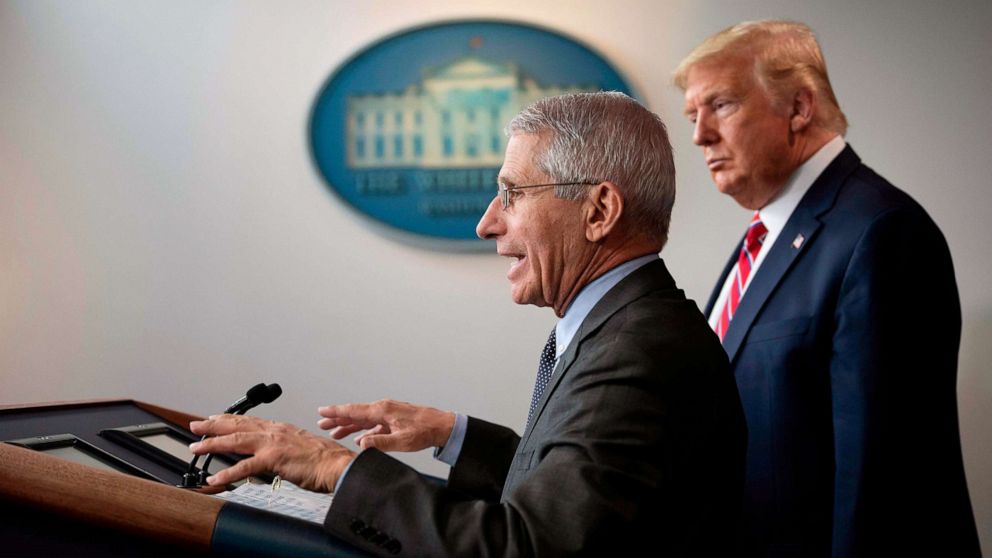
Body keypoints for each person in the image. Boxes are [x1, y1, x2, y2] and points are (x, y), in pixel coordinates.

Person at [190, 92, 746, 556]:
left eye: (511, 193)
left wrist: (334, 466)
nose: (487, 223)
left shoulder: (636, 354)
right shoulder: (631, 326)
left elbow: (525, 547)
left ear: (599, 211)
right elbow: (581, 502)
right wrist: (455, 434)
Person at [674, 20, 979, 557]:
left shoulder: (881, 233)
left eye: (720, 105)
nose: (700, 134)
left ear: (799, 107)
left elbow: (884, 484)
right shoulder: (768, 234)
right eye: (692, 115)